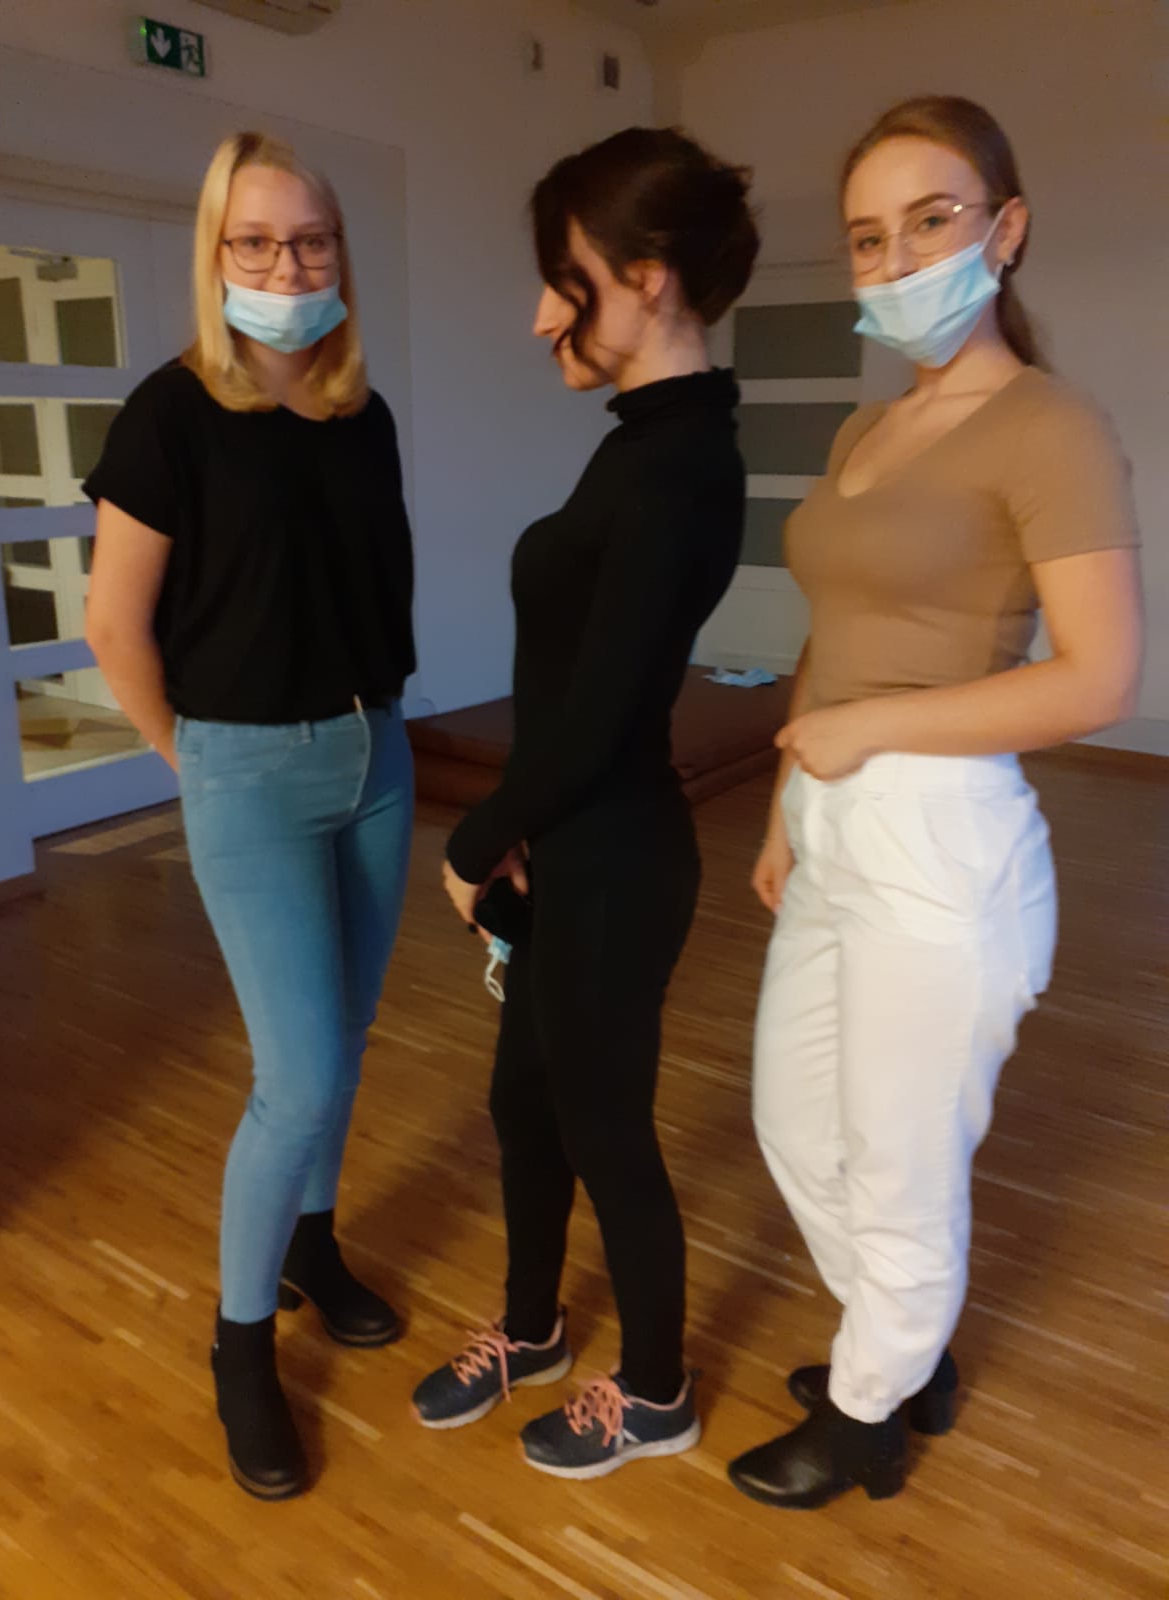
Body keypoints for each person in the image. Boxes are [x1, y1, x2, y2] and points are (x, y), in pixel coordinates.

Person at [727, 96, 1143, 1510]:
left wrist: (864, 733)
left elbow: (1098, 679)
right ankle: (902, 1348)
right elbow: (830, 629)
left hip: (941, 834)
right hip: (832, 813)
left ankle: (868, 1415)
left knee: (901, 1162)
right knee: (796, 1122)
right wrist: (786, 800)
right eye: (868, 237)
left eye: (932, 220)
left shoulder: (1052, 426)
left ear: (1004, 230)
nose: (897, 259)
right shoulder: (873, 424)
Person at [410, 127, 759, 1479]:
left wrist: (477, 837)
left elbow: (605, 709)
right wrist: (520, 837)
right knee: (524, 1104)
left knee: (605, 1128)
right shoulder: (645, 444)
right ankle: (532, 1329)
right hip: (569, 844)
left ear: (649, 276)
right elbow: (574, 692)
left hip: (614, 857)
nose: (541, 313)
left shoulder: (682, 465)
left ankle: (658, 1391)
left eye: (568, 278)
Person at [84, 131, 416, 1501]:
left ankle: (312, 1245)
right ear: (216, 254)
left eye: (311, 241)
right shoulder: (168, 415)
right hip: (247, 772)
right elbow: (114, 624)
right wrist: (196, 760)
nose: (287, 267)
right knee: (299, 1079)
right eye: (257, 243)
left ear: (341, 254)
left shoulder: (361, 416)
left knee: (346, 1035)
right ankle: (238, 1347)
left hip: (375, 756)